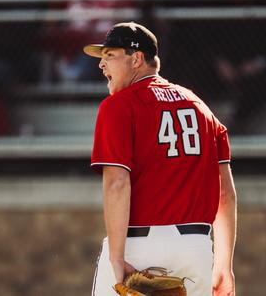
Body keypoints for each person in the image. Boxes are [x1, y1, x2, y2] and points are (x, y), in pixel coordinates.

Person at [83, 22, 237, 296]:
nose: (101, 65)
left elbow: (117, 183)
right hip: (196, 249)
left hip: (139, 247)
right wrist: (224, 263)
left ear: (137, 58)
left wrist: (117, 257)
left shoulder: (119, 105)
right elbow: (225, 194)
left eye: (110, 55)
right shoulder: (200, 107)